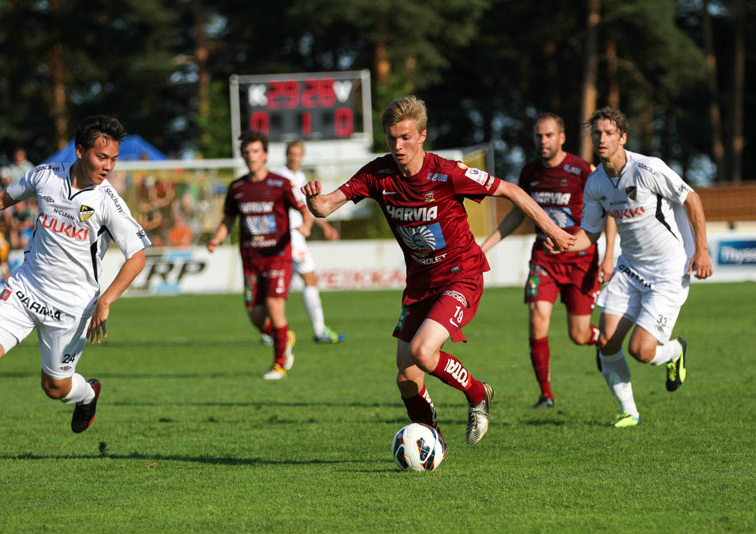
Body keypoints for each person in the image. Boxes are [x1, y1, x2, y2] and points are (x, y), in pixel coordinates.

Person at [301, 95, 575, 449]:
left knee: (423, 352)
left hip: (461, 275)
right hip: (420, 284)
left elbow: (509, 190)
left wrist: (551, 229)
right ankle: (435, 440)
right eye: (392, 138)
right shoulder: (377, 173)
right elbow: (324, 207)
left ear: (422, 136)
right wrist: (312, 197)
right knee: (407, 379)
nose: (398, 146)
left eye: (406, 138)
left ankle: (478, 394)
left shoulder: (447, 172)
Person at [0, 115, 151, 471]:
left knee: (55, 388)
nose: (108, 166)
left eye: (113, 160)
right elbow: (1, 199)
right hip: (25, 288)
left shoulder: (107, 201)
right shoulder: (45, 175)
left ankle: (88, 393)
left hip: (72, 307)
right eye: (101, 157)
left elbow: (137, 256)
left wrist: (105, 300)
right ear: (80, 151)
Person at [545, 106, 713, 428]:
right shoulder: (595, 183)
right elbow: (589, 234)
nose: (602, 138)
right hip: (630, 269)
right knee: (606, 341)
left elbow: (692, 199)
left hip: (667, 271)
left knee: (640, 349)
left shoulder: (647, 168)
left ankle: (675, 351)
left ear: (623, 137)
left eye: (609, 133)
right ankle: (628, 412)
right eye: (597, 133)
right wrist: (564, 243)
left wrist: (701, 251)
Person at [480, 113, 616, 409]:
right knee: (537, 319)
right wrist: (485, 247)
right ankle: (546, 395)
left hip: (581, 260)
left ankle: (602, 339)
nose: (544, 141)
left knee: (578, 335)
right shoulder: (530, 173)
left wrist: (608, 257)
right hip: (544, 258)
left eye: (549, 135)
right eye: (539, 136)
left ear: (562, 137)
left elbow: (609, 211)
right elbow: (518, 212)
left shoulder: (582, 170)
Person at [207, 131, 313, 380]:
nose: (251, 156)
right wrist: (216, 238)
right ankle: (284, 338)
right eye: (247, 152)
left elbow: (303, 208)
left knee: (276, 307)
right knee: (254, 313)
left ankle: (278, 365)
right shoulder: (237, 188)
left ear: (264, 155)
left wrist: (307, 225)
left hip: (278, 256)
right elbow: (229, 218)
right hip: (250, 258)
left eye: (255, 151)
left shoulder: (280, 184)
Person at [273, 139, 345, 344]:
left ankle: (270, 331)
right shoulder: (279, 177)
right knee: (308, 280)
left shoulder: (300, 176)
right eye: (290, 153)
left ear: (302, 156)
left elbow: (306, 209)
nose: (294, 157)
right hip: (291, 237)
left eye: (297, 154)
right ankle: (319, 330)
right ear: (285, 154)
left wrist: (325, 226)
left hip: (297, 237)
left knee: (282, 283)